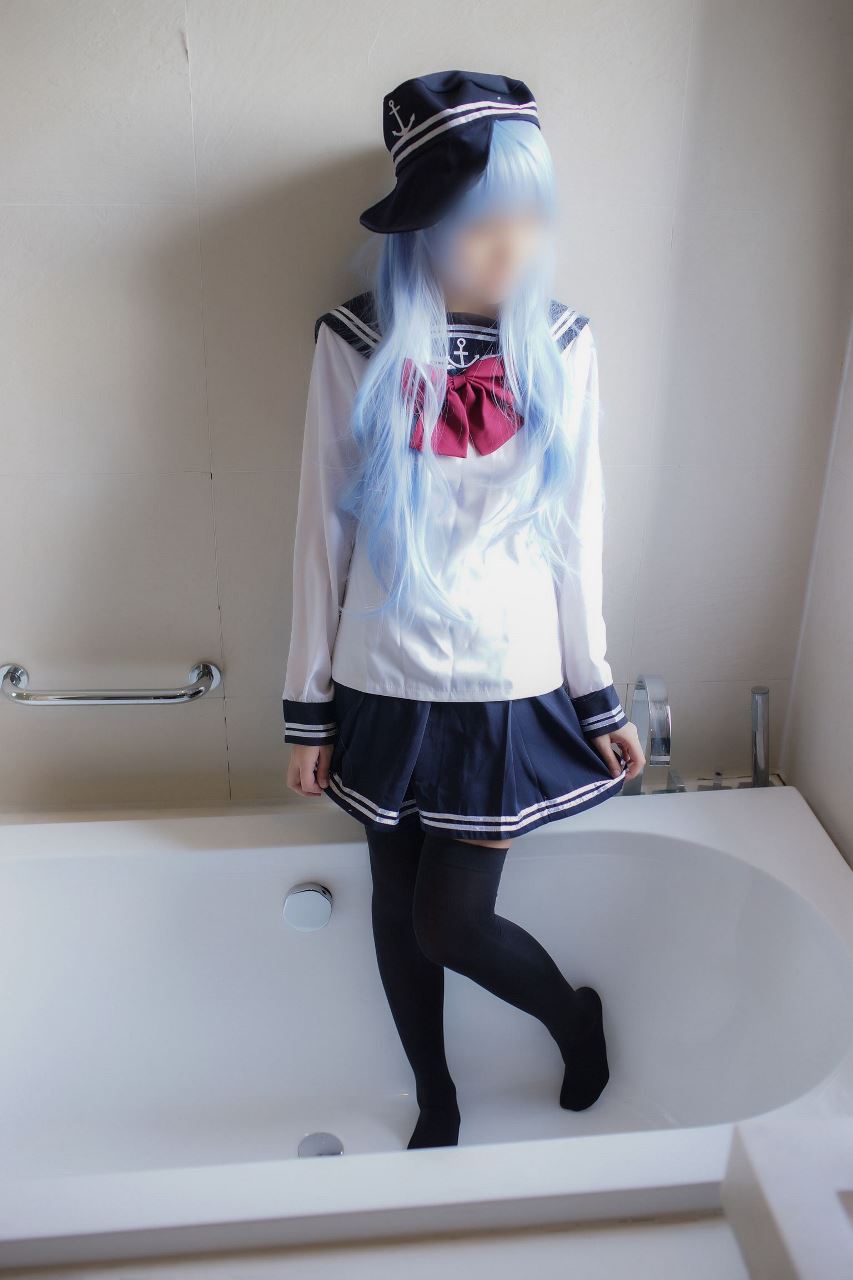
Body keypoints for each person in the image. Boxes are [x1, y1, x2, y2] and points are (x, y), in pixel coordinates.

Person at [283, 71, 645, 1149]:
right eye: (483, 221)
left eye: (529, 217)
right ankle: (433, 1094)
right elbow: (319, 529)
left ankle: (572, 1020)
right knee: (396, 911)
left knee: (451, 921)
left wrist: (596, 691)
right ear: (424, 226)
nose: (510, 245)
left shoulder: (564, 343)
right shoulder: (352, 342)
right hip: (380, 676)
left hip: (504, 683)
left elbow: (579, 532)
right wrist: (307, 707)